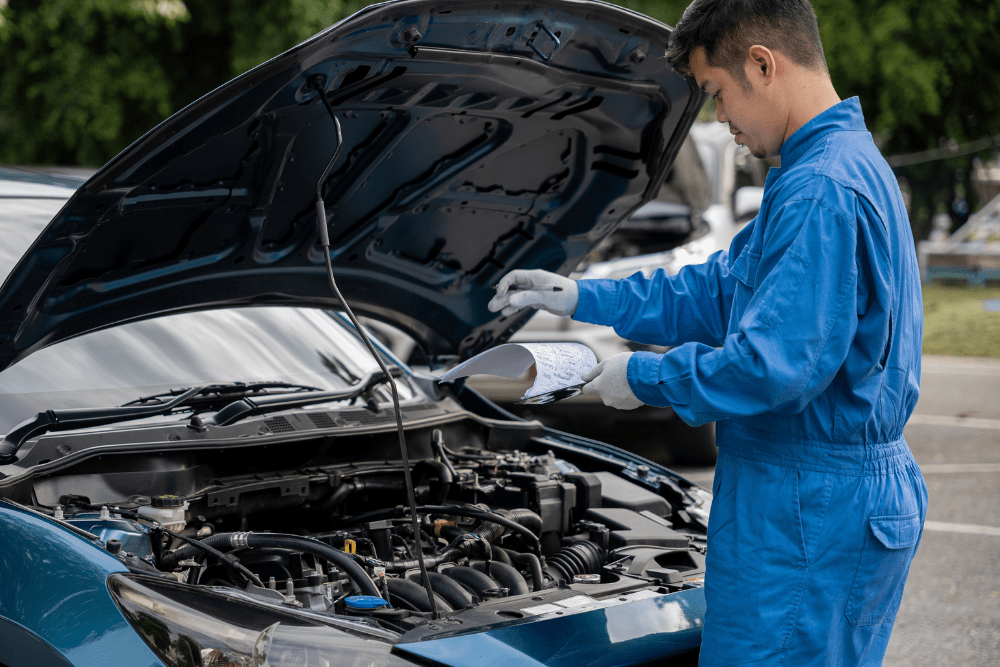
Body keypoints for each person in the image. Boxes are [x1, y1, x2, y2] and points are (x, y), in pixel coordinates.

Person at [488, 1, 927, 665]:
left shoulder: (820, 188)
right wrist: (583, 294)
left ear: (762, 64)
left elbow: (770, 367)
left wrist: (638, 378)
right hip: (814, 499)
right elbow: (718, 290)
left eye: (718, 94)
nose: (722, 120)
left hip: (806, 508)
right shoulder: (831, 166)